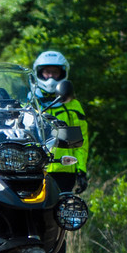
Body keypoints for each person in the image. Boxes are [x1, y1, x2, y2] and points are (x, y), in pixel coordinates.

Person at [31, 50, 89, 194]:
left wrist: (81, 170)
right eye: (47, 72)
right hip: (34, 168)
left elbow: (81, 141)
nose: (50, 77)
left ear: (62, 74)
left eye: (55, 72)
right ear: (39, 73)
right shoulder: (29, 102)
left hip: (64, 170)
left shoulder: (72, 105)